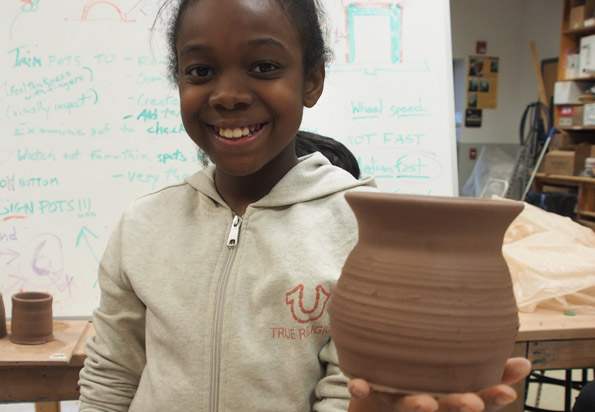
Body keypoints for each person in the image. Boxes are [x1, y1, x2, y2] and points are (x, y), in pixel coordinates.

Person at [77, 0, 531, 411]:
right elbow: (112, 375)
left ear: (311, 82)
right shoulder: (144, 225)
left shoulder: (364, 230)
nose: (227, 94)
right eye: (200, 72)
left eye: (264, 66)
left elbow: (345, 392)